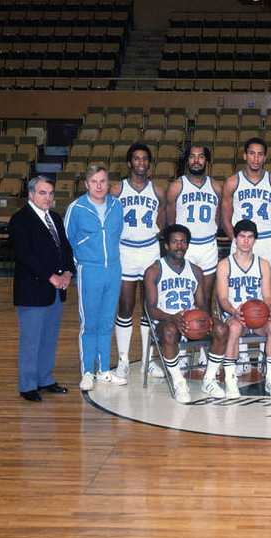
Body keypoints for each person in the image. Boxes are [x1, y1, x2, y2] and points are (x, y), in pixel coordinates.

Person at [143, 224, 230, 404]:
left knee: (221, 328)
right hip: (165, 321)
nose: (179, 246)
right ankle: (178, 382)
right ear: (166, 246)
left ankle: (209, 380)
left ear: (188, 245)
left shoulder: (196, 271)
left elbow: (202, 304)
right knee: (169, 331)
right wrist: (173, 318)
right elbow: (150, 308)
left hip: (191, 321)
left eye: (183, 242)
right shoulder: (154, 270)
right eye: (174, 242)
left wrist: (202, 318)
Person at [9, 176, 75, 402]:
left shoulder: (55, 217)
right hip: (32, 291)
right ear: (30, 194)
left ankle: (44, 378)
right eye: (42, 193)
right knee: (31, 340)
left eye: (51, 193)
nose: (48, 198)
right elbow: (24, 254)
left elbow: (65, 248)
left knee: (49, 338)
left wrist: (67, 272)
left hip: (55, 291)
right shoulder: (20, 220)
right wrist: (50, 277)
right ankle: (27, 385)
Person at [64, 165, 125, 391]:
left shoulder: (117, 206)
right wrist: (77, 265)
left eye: (103, 181)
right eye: (94, 182)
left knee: (107, 322)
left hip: (114, 270)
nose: (99, 186)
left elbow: (117, 234)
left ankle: (103, 370)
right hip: (89, 271)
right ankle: (87, 371)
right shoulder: (76, 208)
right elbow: (66, 240)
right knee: (89, 323)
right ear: (86, 184)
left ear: (108, 183)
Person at [111, 143, 167, 380]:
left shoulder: (158, 191)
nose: (141, 162)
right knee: (125, 307)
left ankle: (147, 360)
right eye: (136, 158)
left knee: (149, 308)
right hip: (125, 251)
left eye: (145, 159)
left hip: (149, 252)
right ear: (129, 162)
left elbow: (162, 222)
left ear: (149, 163)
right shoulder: (116, 190)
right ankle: (123, 359)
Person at [216, 220, 271, 398]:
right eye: (242, 237)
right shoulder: (224, 265)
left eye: (250, 237)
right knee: (234, 328)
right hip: (235, 316)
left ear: (255, 240)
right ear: (235, 239)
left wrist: (264, 309)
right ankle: (231, 380)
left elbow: (269, 297)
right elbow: (222, 298)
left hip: (258, 317)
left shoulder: (263, 264)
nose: (246, 241)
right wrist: (234, 312)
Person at [221, 137, 271, 285]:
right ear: (245, 155)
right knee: (237, 288)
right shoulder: (232, 182)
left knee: (267, 291)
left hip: (266, 240)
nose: (256, 158)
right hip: (240, 241)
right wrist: (237, 240)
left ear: (265, 158)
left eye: (260, 154)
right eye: (252, 153)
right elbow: (225, 219)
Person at [167, 145, 222, 311]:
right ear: (187, 160)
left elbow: (217, 218)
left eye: (201, 157)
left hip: (207, 246)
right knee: (184, 296)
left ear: (207, 161)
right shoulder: (176, 186)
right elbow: (171, 221)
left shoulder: (217, 187)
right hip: (185, 247)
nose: (196, 161)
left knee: (205, 298)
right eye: (192, 157)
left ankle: (204, 334)